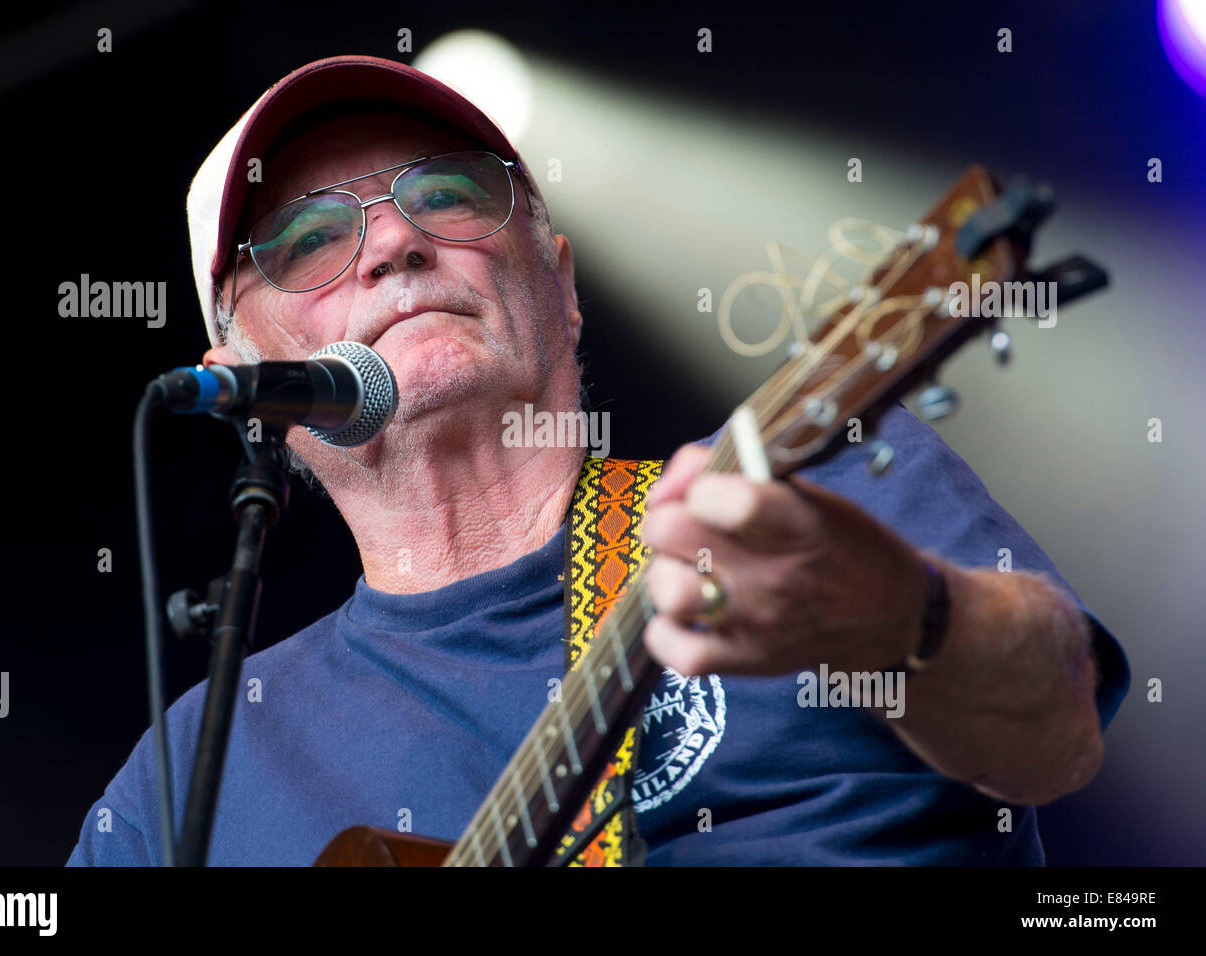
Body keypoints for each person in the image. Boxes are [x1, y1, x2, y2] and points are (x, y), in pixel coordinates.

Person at [68, 55, 1129, 866]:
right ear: (241, 378)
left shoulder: (802, 489)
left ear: (561, 283)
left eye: (446, 194)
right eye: (306, 238)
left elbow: (1059, 733)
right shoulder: (186, 776)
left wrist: (900, 615)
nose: (396, 245)